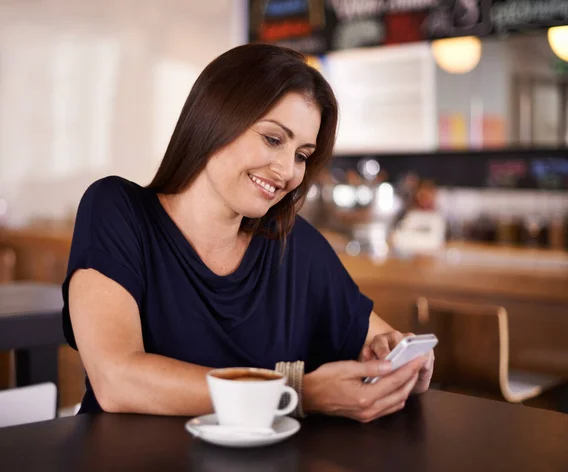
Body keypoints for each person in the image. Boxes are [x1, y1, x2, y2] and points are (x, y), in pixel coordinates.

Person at [62, 43, 434, 422]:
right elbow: (117, 379)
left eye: (302, 155)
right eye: (273, 139)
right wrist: (297, 392)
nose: (287, 170)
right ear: (215, 118)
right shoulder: (117, 210)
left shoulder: (293, 243)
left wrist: (404, 364)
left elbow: (384, 345)